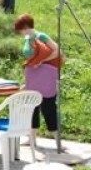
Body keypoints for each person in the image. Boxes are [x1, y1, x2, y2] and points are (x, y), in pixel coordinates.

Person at [14, 14, 60, 145]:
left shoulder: (41, 36)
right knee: (32, 106)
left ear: (26, 27)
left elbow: (57, 50)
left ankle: (57, 140)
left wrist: (42, 60)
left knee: (48, 106)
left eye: (21, 29)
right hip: (33, 75)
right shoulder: (27, 39)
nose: (20, 32)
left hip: (45, 75)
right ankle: (32, 138)